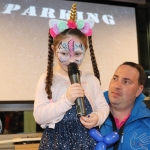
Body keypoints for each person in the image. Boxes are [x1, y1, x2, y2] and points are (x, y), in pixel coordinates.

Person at [33, 3, 109, 150]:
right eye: (64, 53)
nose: (71, 59)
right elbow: (39, 116)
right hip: (56, 142)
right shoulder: (47, 79)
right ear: (54, 50)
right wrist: (67, 100)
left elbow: (103, 107)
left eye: (78, 54)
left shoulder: (91, 80)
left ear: (85, 51)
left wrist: (97, 117)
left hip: (86, 140)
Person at [100, 61, 150, 150]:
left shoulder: (147, 123)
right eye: (115, 78)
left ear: (139, 90)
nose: (117, 86)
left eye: (126, 81)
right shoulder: (91, 118)